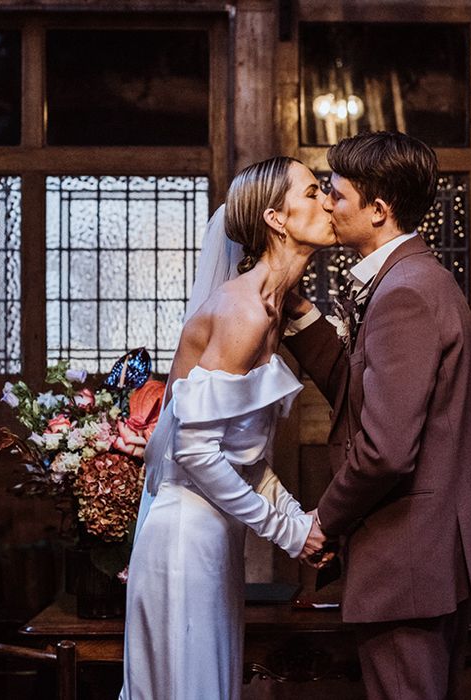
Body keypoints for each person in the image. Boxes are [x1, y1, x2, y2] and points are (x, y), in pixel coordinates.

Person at [285, 131, 471, 700]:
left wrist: (324, 521)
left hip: (408, 562)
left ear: (379, 210)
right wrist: (297, 313)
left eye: (337, 195)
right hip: (424, 560)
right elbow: (363, 393)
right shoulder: (415, 277)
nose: (327, 204)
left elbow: (386, 449)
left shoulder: (404, 291)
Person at [119, 156, 335, 700]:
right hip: (184, 538)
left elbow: (240, 456)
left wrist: (296, 519)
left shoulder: (271, 309)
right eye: (312, 192)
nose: (327, 201)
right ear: (276, 219)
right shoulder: (244, 313)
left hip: (216, 536)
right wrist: (285, 531)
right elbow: (194, 451)